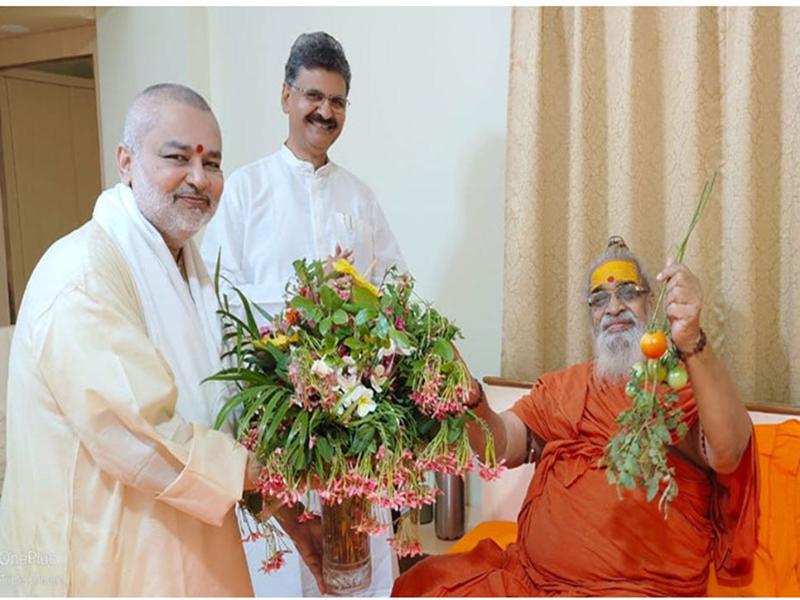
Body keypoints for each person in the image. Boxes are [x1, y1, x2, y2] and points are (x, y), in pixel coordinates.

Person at [0, 83, 322, 596]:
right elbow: (142, 432)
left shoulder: (191, 271)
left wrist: (283, 506)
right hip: (105, 560)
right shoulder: (83, 275)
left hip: (186, 549)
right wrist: (271, 474)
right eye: (177, 158)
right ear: (126, 162)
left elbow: (218, 414)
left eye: (212, 164)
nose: (199, 179)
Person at [393, 236, 759, 596]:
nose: (613, 307)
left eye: (627, 293)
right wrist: (474, 404)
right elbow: (501, 445)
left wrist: (692, 339)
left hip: (642, 589)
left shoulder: (679, 384)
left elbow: (727, 453)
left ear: (653, 301)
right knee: (424, 584)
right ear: (590, 316)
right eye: (599, 300)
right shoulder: (566, 387)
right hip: (532, 584)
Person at [201, 32, 403, 596]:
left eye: (337, 101)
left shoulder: (360, 198)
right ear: (286, 96)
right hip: (277, 426)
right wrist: (304, 304)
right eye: (313, 96)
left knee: (359, 567)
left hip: (354, 427)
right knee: (285, 573)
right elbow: (221, 306)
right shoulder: (243, 193)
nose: (325, 111)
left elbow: (396, 291)